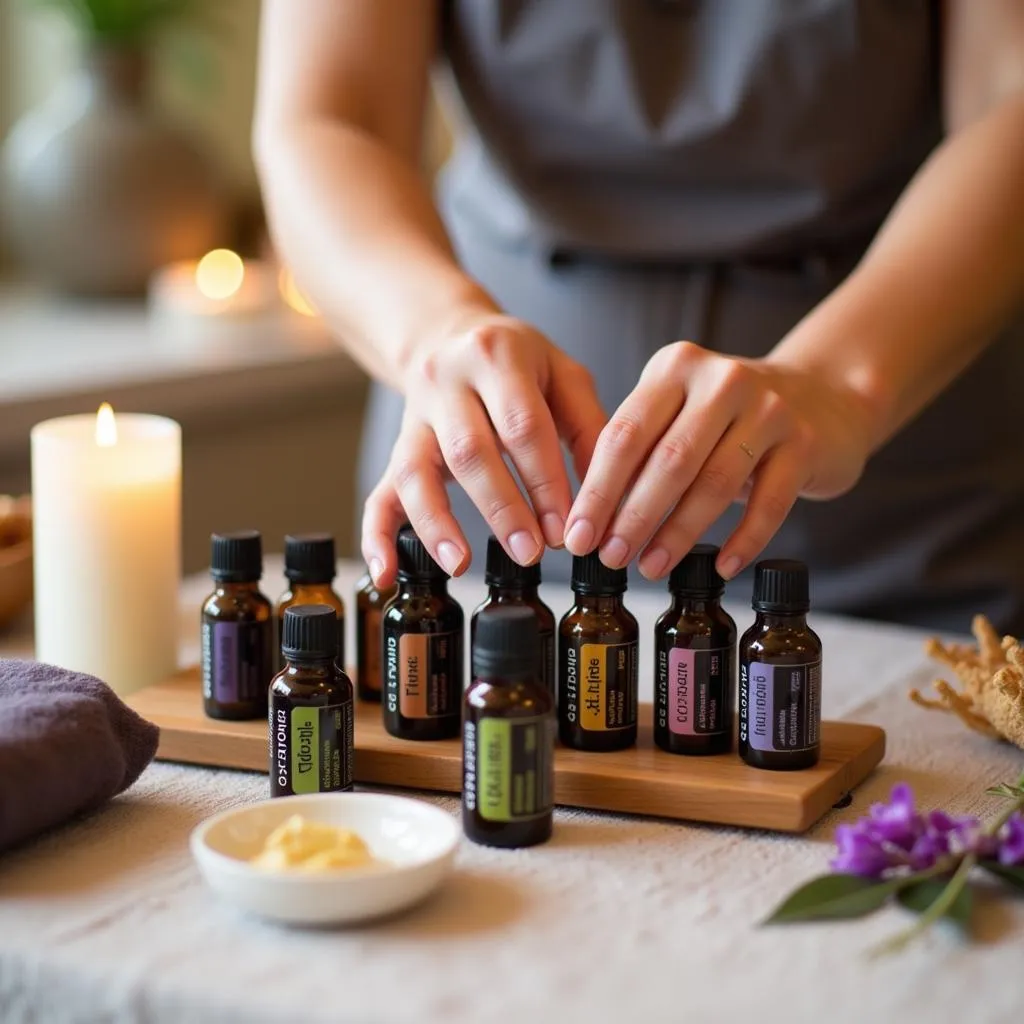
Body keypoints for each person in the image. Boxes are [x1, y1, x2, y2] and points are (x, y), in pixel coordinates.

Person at [254, 0, 1024, 633]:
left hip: (895, 523)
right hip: (488, 504)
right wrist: (434, 330)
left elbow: (1009, 94)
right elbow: (327, 116)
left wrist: (839, 382)